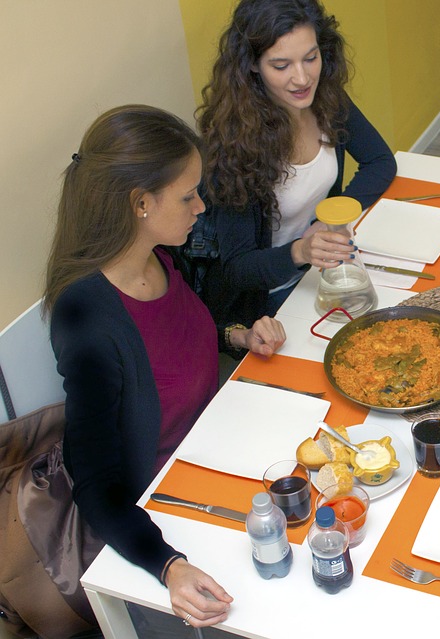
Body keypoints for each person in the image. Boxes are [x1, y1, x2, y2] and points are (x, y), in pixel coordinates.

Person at [45, 105, 286, 630]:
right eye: (188, 195)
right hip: (166, 511)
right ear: (141, 204)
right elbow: (96, 481)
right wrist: (168, 564)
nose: (202, 205)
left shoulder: (161, 254)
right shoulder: (85, 314)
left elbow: (181, 338)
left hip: (222, 446)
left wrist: (236, 335)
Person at [196, 0, 397, 330]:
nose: (302, 78)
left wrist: (326, 220)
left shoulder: (326, 99)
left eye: (310, 57)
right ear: (253, 66)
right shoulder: (236, 145)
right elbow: (236, 268)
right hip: (269, 298)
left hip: (321, 270)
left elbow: (380, 162)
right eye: (281, 65)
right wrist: (301, 250)